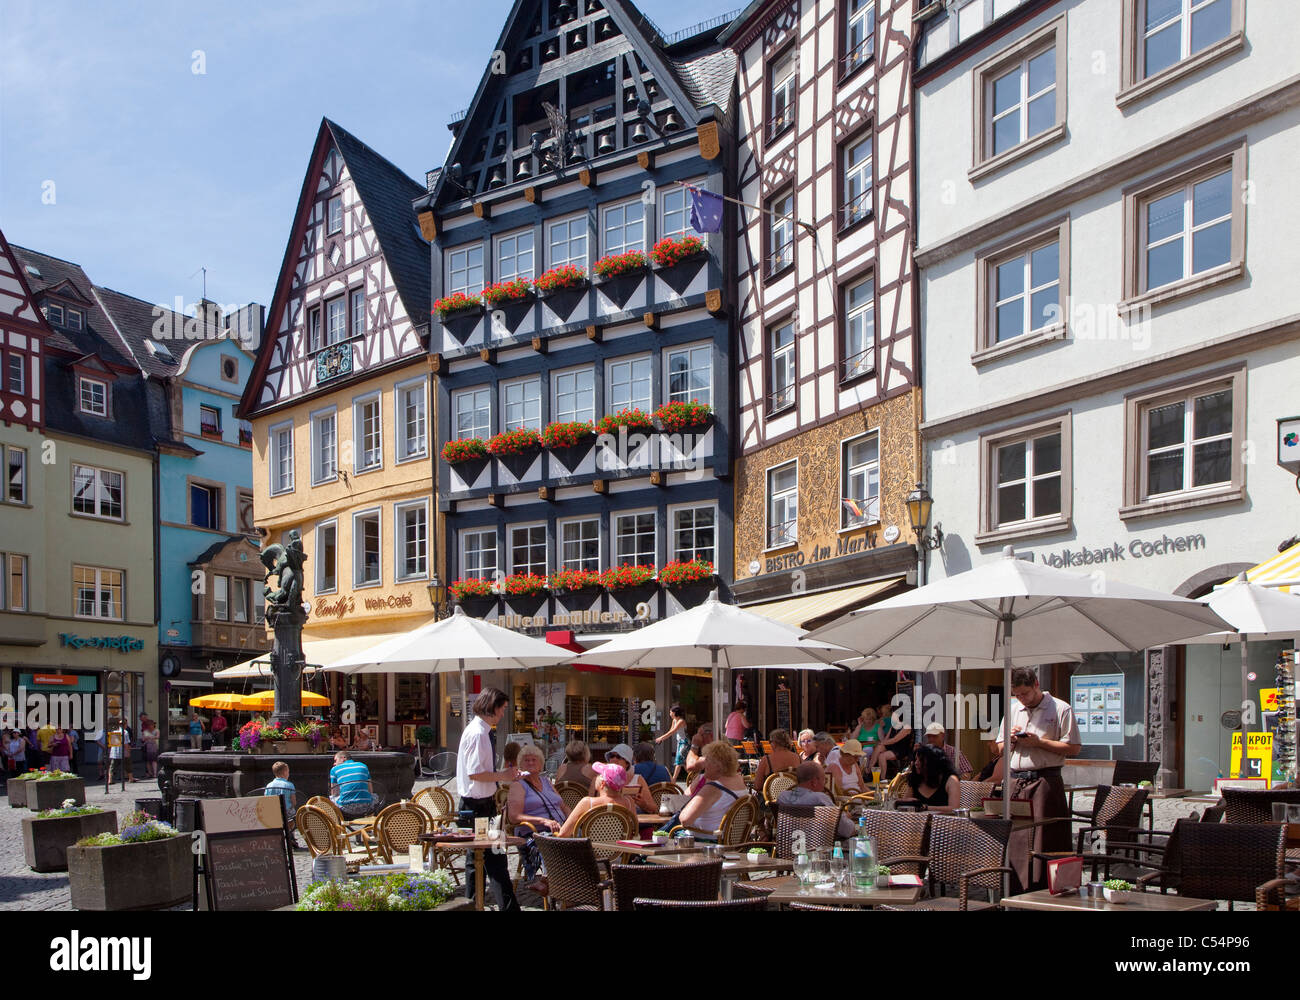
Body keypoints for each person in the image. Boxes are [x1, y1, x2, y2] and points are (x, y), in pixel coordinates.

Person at [995, 667, 1081, 851]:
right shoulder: (1012, 710)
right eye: (1017, 695)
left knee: (1045, 838)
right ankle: (1017, 879)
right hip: (1015, 781)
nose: (1021, 699)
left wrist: (1039, 743)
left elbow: (1074, 748)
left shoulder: (1061, 709)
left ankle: (1042, 878)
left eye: (1024, 693)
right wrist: (1010, 740)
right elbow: (1000, 749)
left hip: (1045, 781)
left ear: (1036, 684)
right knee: (1016, 839)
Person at [455, 687, 520, 911]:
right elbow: (475, 773)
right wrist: (503, 775)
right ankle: (504, 908)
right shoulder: (479, 733)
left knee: (480, 861)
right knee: (494, 859)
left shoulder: (479, 731)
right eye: (502, 709)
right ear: (493, 707)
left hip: (479, 804)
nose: (503, 714)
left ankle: (474, 905)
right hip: (478, 806)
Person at [508, 743, 568, 884]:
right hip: (534, 832)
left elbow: (563, 805)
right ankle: (554, 885)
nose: (530, 762)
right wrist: (543, 821)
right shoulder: (518, 785)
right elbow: (514, 816)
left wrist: (573, 820)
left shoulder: (546, 781)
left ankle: (576, 885)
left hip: (560, 827)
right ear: (520, 765)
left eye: (534, 760)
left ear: (541, 764)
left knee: (582, 842)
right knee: (554, 844)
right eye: (526, 760)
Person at [677, 741, 749, 839]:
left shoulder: (713, 788)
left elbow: (685, 820)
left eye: (707, 760)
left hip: (704, 841)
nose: (703, 764)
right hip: (729, 840)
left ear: (718, 766)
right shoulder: (740, 782)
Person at [776, 762, 856, 838]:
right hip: (817, 848)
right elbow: (847, 830)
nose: (825, 783)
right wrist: (845, 816)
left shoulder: (783, 797)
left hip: (788, 846)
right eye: (824, 780)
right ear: (814, 782)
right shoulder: (820, 799)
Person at [557, 761, 635, 837]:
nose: (595, 777)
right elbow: (633, 830)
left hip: (588, 849)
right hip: (619, 849)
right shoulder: (629, 802)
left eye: (598, 775)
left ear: (603, 783)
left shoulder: (587, 803)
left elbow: (563, 833)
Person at [905, 743, 960, 809]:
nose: (916, 763)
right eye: (916, 759)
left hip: (943, 818)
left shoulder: (951, 780)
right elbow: (904, 805)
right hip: (917, 819)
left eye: (921, 760)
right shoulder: (915, 779)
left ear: (933, 762)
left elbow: (954, 808)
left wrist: (925, 808)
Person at [868, 703, 913, 779]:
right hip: (892, 746)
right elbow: (886, 739)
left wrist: (882, 742)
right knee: (879, 747)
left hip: (901, 749)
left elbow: (895, 740)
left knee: (882, 755)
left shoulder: (907, 726)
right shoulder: (894, 725)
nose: (893, 715)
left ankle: (882, 778)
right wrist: (881, 743)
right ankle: (869, 770)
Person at [329, 751, 377, 819]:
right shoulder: (363, 766)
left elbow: (334, 792)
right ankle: (371, 820)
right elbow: (370, 790)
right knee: (373, 796)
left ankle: (337, 823)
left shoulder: (334, 769)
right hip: (366, 807)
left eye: (335, 760)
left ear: (343, 758)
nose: (334, 764)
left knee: (332, 798)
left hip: (345, 808)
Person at [655, 704, 689, 782]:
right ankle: (694, 777)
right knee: (682, 763)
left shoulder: (681, 721)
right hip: (680, 742)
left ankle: (673, 780)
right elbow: (671, 731)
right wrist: (662, 739)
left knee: (678, 760)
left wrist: (661, 738)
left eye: (670, 712)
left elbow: (673, 731)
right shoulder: (674, 720)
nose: (670, 714)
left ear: (674, 713)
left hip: (684, 742)